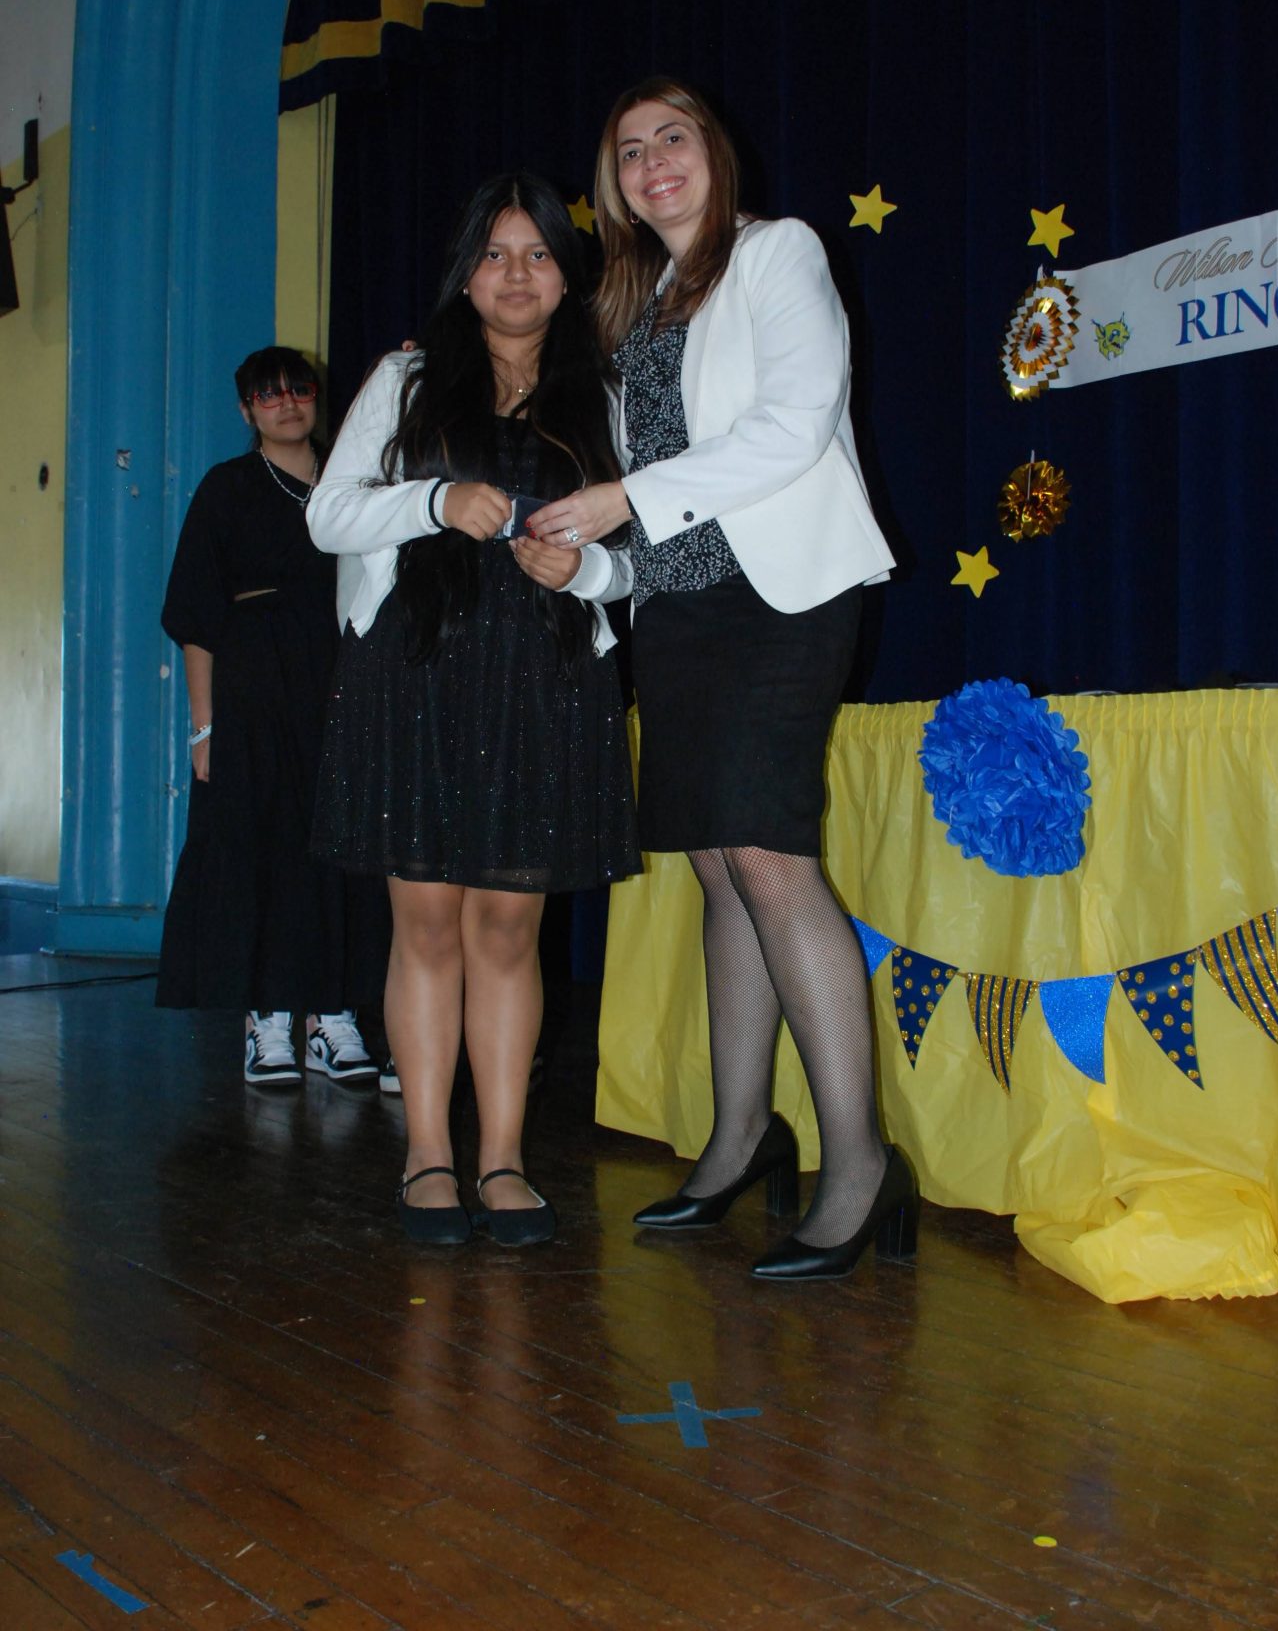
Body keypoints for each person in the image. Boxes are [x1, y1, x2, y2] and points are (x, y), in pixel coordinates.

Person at [528, 78, 914, 1282]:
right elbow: (642, 504)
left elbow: (795, 423)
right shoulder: (627, 305)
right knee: (716, 865)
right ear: (613, 185)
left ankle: (860, 1163)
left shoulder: (775, 254)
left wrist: (621, 499)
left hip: (782, 601)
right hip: (680, 612)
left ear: (714, 151)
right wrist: (588, 563)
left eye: (672, 139)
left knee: (767, 855)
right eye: (628, 151)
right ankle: (741, 1136)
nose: (653, 163)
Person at [307, 172, 638, 1249]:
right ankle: (427, 1156)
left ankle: (502, 1159)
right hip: (417, 668)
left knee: (507, 927)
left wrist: (584, 573)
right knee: (426, 923)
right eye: (495, 254)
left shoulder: (604, 395)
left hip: (544, 676)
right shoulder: (406, 377)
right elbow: (328, 516)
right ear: (466, 272)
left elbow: (644, 556)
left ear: (567, 276)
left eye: (537, 254)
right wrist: (434, 501)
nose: (516, 274)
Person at [157, 347, 385, 1086]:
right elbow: (195, 616)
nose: (287, 403)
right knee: (263, 846)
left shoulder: (355, 481)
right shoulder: (226, 488)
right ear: (246, 410)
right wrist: (204, 726)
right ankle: (269, 1019)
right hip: (253, 691)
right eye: (268, 394)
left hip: (344, 680)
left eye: (299, 389)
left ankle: (334, 1016)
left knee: (344, 849)